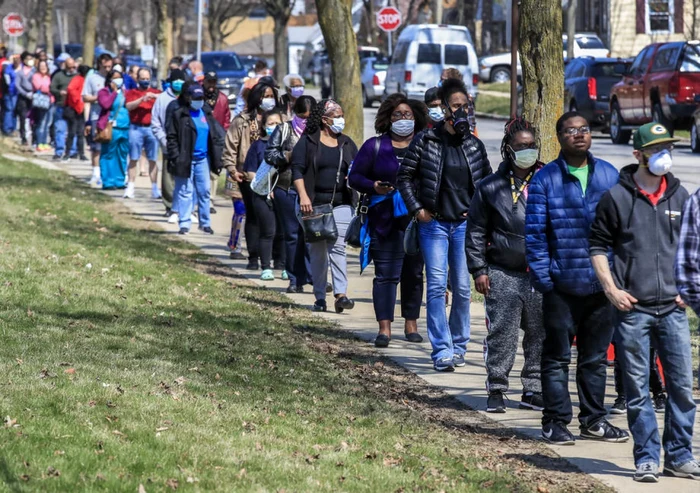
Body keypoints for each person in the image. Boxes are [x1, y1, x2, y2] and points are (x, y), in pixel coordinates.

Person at [589, 122, 697, 482]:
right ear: (638, 155)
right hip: (632, 310)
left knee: (681, 388)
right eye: (655, 149)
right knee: (637, 391)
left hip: (673, 309)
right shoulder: (616, 198)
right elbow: (597, 247)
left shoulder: (682, 198)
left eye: (667, 147)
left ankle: (679, 456)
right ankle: (647, 457)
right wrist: (611, 289)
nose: (664, 155)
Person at [525, 111, 627, 445]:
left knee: (595, 359)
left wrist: (616, 279)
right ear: (559, 137)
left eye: (583, 129)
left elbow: (622, 231)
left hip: (602, 287)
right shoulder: (545, 180)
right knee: (556, 358)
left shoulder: (609, 175)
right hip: (561, 287)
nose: (578, 135)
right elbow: (536, 237)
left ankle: (593, 419)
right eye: (570, 131)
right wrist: (546, 279)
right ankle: (555, 420)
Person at [397, 78, 491, 372]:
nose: (461, 111)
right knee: (437, 286)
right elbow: (404, 178)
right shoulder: (426, 141)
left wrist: (480, 217)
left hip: (464, 227)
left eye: (466, 106)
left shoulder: (474, 145)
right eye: (455, 106)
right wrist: (418, 210)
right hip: (434, 225)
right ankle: (442, 349)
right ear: (444, 109)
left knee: (463, 289)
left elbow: (487, 186)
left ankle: (460, 345)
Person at [466, 118, 545, 412]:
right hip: (502, 271)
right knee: (503, 333)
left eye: (532, 146)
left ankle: (533, 388)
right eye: (521, 146)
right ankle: (497, 387)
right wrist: (479, 269)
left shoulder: (548, 179)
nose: (528, 150)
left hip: (540, 273)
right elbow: (475, 230)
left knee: (539, 334)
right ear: (508, 150)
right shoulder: (491, 186)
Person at [348, 94, 427, 347]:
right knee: (385, 275)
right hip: (383, 222)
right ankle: (384, 328)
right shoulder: (375, 146)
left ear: (416, 118)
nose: (403, 119)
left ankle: (411, 324)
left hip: (416, 220)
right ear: (387, 118)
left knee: (414, 274)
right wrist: (373, 186)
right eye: (397, 115)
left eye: (407, 115)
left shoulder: (426, 144)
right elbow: (354, 177)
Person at [291, 99, 358, 313]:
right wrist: (303, 197)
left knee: (337, 246)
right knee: (319, 251)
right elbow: (297, 171)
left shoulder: (347, 143)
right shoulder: (308, 142)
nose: (340, 119)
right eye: (336, 115)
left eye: (341, 114)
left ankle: (341, 294)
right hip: (313, 204)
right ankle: (320, 296)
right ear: (324, 119)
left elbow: (357, 168)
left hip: (340, 203)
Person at [223, 81, 279, 269]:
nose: (268, 100)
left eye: (271, 96)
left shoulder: (281, 119)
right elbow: (230, 147)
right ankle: (253, 257)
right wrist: (233, 169)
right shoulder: (242, 120)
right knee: (253, 216)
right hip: (249, 174)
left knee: (275, 217)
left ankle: (277, 259)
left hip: (277, 175)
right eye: (265, 96)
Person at [264, 95, 316, 293]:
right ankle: (295, 279)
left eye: (310, 118)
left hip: (311, 191)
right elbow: (269, 154)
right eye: (302, 117)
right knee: (292, 235)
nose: (306, 121)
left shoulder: (319, 132)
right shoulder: (284, 129)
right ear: (295, 114)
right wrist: (287, 155)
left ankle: (314, 277)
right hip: (286, 189)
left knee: (312, 235)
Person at [166, 84, 225, 235]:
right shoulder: (179, 114)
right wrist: (176, 157)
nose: (198, 101)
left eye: (201, 98)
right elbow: (171, 138)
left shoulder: (206, 113)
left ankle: (205, 223)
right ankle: (184, 223)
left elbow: (216, 135)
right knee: (185, 191)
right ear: (188, 98)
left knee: (205, 191)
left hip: (203, 160)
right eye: (195, 98)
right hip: (185, 159)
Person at [242, 109, 283, 280]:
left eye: (277, 124)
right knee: (268, 231)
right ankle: (266, 266)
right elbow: (250, 172)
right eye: (270, 124)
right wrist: (266, 187)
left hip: (283, 195)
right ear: (264, 126)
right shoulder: (257, 146)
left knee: (284, 232)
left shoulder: (288, 145)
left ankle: (282, 264)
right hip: (262, 195)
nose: (274, 127)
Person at [151, 69, 186, 220]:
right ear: (171, 82)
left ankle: (184, 207)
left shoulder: (188, 97)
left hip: (185, 145)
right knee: (168, 176)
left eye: (181, 80)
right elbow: (155, 123)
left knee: (184, 177)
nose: (178, 83)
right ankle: (170, 205)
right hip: (168, 144)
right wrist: (164, 141)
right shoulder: (162, 99)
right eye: (176, 80)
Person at [124, 67, 162, 199]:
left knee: (152, 159)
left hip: (151, 128)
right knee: (134, 158)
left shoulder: (156, 92)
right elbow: (128, 106)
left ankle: (155, 188)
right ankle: (130, 187)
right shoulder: (132, 92)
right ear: (137, 79)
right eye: (142, 79)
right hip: (135, 127)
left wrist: (154, 96)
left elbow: (166, 99)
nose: (145, 81)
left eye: (147, 79)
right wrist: (141, 99)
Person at [83, 53, 114, 187]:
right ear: (100, 64)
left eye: (110, 66)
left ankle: (108, 173)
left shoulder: (114, 78)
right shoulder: (91, 78)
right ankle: (96, 173)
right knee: (96, 147)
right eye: (105, 66)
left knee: (110, 147)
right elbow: (85, 98)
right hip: (97, 116)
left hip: (112, 117)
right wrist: (99, 98)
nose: (107, 69)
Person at [203, 71, 232, 210]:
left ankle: (210, 199)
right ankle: (200, 197)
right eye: (209, 81)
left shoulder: (222, 98)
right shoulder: (198, 96)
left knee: (214, 171)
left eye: (213, 82)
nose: (211, 85)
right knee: (202, 169)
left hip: (216, 140)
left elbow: (227, 120)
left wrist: (224, 134)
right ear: (204, 81)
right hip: (202, 138)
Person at [96, 70, 130, 189]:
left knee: (122, 154)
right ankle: (108, 181)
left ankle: (119, 180)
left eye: (119, 78)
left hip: (125, 127)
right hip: (110, 128)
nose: (117, 80)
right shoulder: (104, 92)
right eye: (114, 78)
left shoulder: (126, 93)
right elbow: (105, 105)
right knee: (108, 154)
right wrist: (114, 93)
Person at [50, 56, 77, 159]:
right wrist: (59, 92)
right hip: (61, 105)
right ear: (65, 66)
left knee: (72, 130)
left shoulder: (78, 77)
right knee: (60, 129)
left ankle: (72, 151)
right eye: (69, 67)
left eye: (73, 67)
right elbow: (52, 88)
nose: (71, 69)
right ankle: (59, 151)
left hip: (73, 107)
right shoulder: (58, 76)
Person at [63, 65, 89, 162]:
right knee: (72, 132)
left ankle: (81, 153)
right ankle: (67, 153)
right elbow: (71, 90)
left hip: (80, 109)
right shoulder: (78, 79)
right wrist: (78, 102)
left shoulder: (83, 80)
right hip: (74, 109)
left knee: (80, 133)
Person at [30, 60, 53, 151]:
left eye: (45, 66)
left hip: (50, 101)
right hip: (41, 102)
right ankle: (39, 142)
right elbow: (39, 86)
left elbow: (52, 87)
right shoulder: (36, 76)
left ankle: (44, 142)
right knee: (41, 123)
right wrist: (48, 88)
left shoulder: (49, 77)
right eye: (41, 66)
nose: (43, 68)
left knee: (48, 123)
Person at [15, 51, 35, 146]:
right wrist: (25, 93)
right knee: (23, 117)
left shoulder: (34, 71)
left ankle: (34, 138)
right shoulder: (20, 72)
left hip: (34, 96)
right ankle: (23, 137)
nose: (29, 61)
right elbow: (17, 85)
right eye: (27, 59)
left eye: (31, 59)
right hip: (23, 98)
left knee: (33, 118)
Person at [1, 54, 19, 136]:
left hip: (18, 93)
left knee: (14, 111)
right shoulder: (7, 68)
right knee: (9, 110)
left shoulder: (20, 68)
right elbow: (7, 82)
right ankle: (7, 128)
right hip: (9, 92)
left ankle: (13, 128)